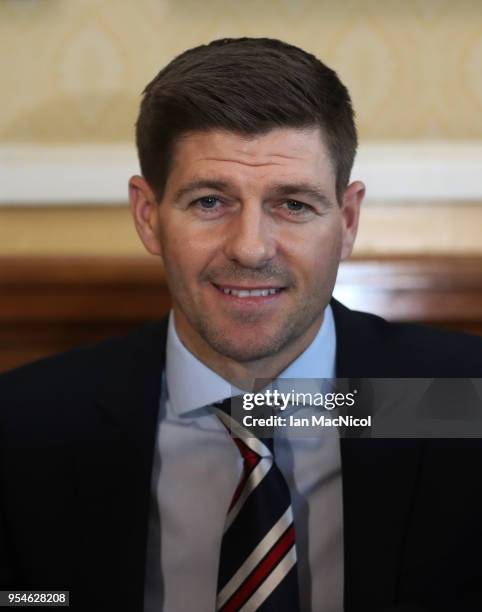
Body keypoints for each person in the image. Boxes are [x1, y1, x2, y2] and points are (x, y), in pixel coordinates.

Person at [1, 38, 481, 612]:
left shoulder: (460, 401)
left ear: (347, 221)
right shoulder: (23, 426)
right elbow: (28, 599)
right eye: (210, 202)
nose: (250, 249)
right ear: (148, 216)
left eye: (293, 204)